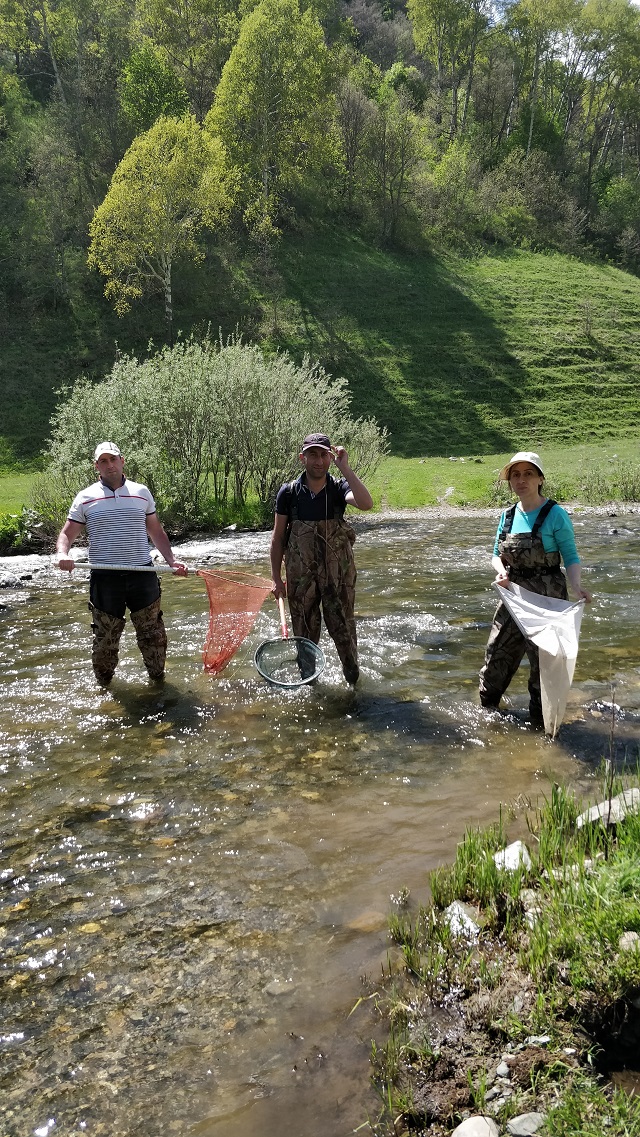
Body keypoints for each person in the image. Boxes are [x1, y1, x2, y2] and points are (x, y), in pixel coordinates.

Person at [55, 442, 188, 686]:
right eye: (103, 461)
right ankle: (105, 690)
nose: (109, 465)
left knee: (153, 635)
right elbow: (67, 534)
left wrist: (172, 560)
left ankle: (159, 685)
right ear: (97, 466)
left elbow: (156, 531)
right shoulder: (85, 498)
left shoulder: (141, 492)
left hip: (143, 575)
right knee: (105, 639)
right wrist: (63, 554)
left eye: (113, 459)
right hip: (105, 579)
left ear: (122, 460)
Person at [479, 451, 592, 727]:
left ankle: (543, 728)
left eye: (528, 473)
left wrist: (577, 587)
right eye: (515, 475)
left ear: (540, 479)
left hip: (548, 601)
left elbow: (571, 556)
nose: (521, 480)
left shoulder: (556, 515)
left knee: (545, 667)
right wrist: (501, 570)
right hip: (512, 598)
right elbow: (495, 553)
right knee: (496, 659)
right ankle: (487, 718)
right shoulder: (506, 516)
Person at [270, 433, 373, 685]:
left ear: (330, 457)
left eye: (324, 455)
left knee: (345, 631)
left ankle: (353, 683)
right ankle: (309, 684)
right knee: (304, 634)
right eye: (313, 455)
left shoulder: (339, 489)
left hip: (338, 579)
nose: (318, 461)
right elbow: (277, 539)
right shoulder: (289, 493)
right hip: (300, 579)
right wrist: (276, 579)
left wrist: (345, 468)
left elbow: (366, 503)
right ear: (302, 458)